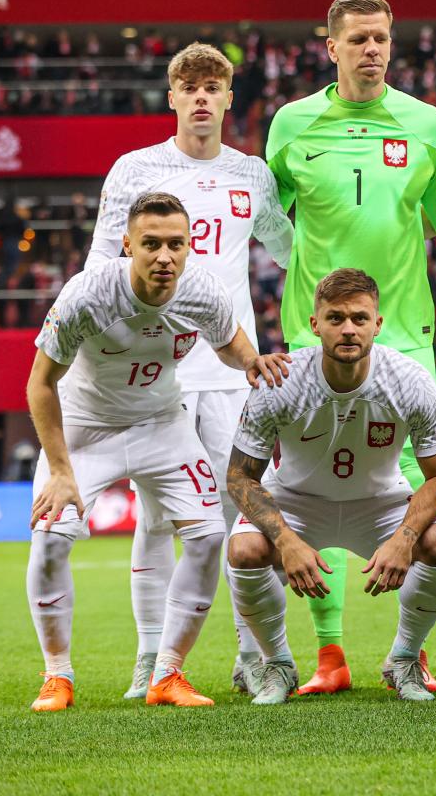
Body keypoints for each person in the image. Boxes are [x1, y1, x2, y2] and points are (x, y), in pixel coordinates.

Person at [266, 0, 436, 695]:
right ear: (330, 46)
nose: (372, 50)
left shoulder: (426, 124)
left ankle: (407, 653)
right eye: (358, 39)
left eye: (381, 38)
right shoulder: (293, 124)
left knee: (417, 496)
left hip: (406, 336)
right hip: (309, 338)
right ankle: (329, 655)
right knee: (309, 485)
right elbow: (266, 225)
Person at [24, 192, 288, 712]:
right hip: (85, 428)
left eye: (175, 244)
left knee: (210, 536)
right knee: (51, 539)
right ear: (127, 246)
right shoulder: (88, 295)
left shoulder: (201, 291)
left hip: (161, 423)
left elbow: (228, 340)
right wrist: (59, 470)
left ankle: (167, 674)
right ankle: (57, 675)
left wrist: (252, 362)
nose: (165, 256)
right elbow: (39, 385)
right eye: (151, 245)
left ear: (189, 247)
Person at [88, 42, 294, 701]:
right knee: (155, 519)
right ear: (172, 97)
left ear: (230, 99)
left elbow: (292, 250)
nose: (202, 97)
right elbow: (99, 267)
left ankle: (251, 656)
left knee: (248, 515)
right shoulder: (134, 169)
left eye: (214, 87)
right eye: (190, 86)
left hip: (234, 372)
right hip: (159, 375)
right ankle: (151, 661)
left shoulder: (252, 174)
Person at [224, 269, 436, 704]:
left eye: (359, 318)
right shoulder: (281, 379)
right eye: (335, 318)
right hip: (296, 502)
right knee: (244, 551)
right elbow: (239, 476)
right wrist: (285, 539)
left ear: (377, 323)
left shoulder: (409, 381)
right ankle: (277, 666)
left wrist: (405, 538)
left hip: (379, 502)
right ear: (315, 325)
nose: (348, 328)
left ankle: (404, 660)